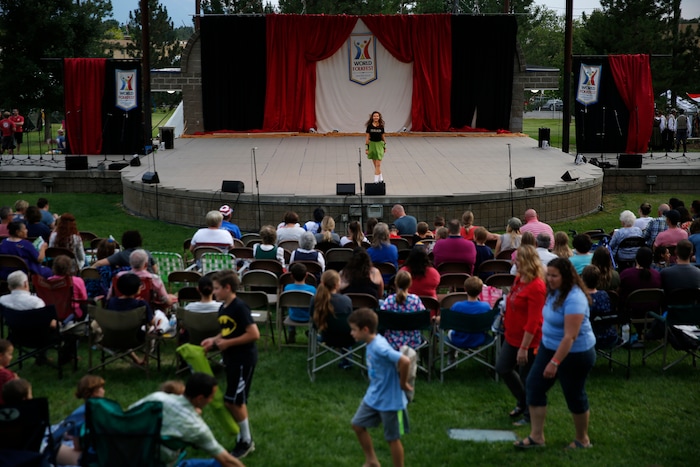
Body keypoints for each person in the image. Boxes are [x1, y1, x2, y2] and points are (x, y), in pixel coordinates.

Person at [515, 258, 595, 450]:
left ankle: (582, 440)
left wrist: (555, 362)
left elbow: (570, 336)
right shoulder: (552, 291)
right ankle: (536, 437)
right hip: (548, 347)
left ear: (566, 276)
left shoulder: (575, 298)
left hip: (575, 353)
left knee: (574, 394)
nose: (549, 279)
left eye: (554, 275)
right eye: (548, 275)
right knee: (534, 386)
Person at [201, 270, 260, 459]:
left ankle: (246, 441)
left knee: (234, 401)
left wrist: (228, 344)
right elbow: (228, 331)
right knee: (232, 400)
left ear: (228, 288)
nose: (214, 291)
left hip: (244, 359)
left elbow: (253, 334)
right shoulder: (223, 307)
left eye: (217, 288)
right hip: (231, 359)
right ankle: (244, 439)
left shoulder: (239, 307)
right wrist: (214, 339)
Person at [129, 372, 245, 467]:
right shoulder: (196, 427)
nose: (211, 401)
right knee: (218, 464)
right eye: (211, 397)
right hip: (160, 463)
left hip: (127, 456)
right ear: (200, 398)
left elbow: (128, 414)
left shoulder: (157, 398)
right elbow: (227, 460)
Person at [349, 307, 412, 467]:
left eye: (354, 330)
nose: (352, 333)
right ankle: (372, 460)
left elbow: (404, 361)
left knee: (392, 438)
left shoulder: (379, 346)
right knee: (357, 425)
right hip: (374, 395)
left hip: (390, 400)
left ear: (365, 329)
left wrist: (403, 383)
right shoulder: (371, 342)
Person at [495, 244, 546, 427]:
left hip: (529, 340)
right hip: (512, 335)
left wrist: (524, 348)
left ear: (527, 261)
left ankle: (529, 414)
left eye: (517, 259)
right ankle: (523, 401)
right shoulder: (520, 278)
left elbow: (534, 321)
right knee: (503, 368)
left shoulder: (537, 286)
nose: (513, 261)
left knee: (527, 377)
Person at [54, 375, 106, 466]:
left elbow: (77, 448)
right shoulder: (109, 411)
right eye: (102, 388)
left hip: (93, 458)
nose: (104, 390)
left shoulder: (78, 416)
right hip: (111, 454)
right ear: (95, 392)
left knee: (53, 449)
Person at [379, 270, 426, 351]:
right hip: (413, 342)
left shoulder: (389, 300)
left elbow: (381, 318)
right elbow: (423, 318)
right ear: (410, 284)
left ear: (395, 283)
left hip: (392, 341)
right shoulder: (415, 300)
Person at [446, 275, 494, 349]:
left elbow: (449, 322)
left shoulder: (457, 306)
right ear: (481, 290)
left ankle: (451, 357)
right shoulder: (485, 306)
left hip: (458, 340)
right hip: (479, 339)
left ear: (465, 289)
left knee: (451, 330)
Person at [581, 265, 618, 348]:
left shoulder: (581, 297)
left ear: (582, 279)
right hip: (609, 336)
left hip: (588, 338)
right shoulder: (604, 295)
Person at [93, 230, 158, 273]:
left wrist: (88, 271)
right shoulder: (147, 253)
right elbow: (155, 270)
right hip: (149, 287)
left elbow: (99, 263)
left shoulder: (121, 255)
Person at [283, 263, 316, 344]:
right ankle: (312, 333)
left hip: (293, 316)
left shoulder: (287, 288)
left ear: (291, 276)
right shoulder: (312, 289)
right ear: (307, 275)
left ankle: (291, 331)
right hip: (309, 318)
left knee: (292, 308)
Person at [49, 255, 88, 320]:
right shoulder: (77, 281)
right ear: (69, 268)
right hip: (74, 314)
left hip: (55, 314)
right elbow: (84, 299)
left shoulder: (49, 282)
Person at [365, 110, 386, 183]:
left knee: (378, 164)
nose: (376, 117)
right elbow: (367, 138)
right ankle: (381, 178)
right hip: (372, 145)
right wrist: (367, 148)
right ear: (372, 117)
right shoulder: (369, 126)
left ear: (379, 117)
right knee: (376, 165)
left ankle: (375, 181)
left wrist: (385, 146)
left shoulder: (381, 126)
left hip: (379, 145)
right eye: (374, 116)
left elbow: (383, 137)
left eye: (377, 116)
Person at [0, 338, 18, 405]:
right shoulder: (6, 375)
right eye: (10, 354)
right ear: (1, 356)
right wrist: (17, 381)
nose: (12, 357)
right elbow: (16, 393)